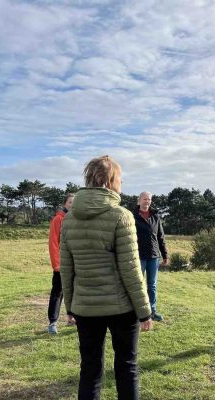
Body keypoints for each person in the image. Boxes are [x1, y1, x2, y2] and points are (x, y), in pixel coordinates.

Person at [60, 155, 153, 400]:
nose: (121, 184)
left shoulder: (69, 219)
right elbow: (131, 268)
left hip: (85, 307)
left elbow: (67, 268)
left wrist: (70, 306)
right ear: (110, 180)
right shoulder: (121, 216)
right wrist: (144, 311)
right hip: (121, 307)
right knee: (126, 367)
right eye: (120, 179)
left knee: (89, 370)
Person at [132, 191, 169, 322]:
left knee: (152, 286)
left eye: (148, 199)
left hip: (154, 257)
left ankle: (152, 311)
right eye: (144, 199)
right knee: (137, 285)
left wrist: (165, 255)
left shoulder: (156, 216)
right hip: (138, 256)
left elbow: (161, 237)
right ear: (139, 201)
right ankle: (137, 312)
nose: (146, 201)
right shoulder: (132, 216)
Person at [47, 193, 75, 334]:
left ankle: (72, 319)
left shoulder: (77, 219)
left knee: (74, 293)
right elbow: (53, 243)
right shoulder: (58, 219)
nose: (72, 205)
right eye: (70, 202)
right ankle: (53, 322)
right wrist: (56, 264)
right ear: (65, 204)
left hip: (76, 264)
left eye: (74, 203)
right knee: (58, 293)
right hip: (62, 265)